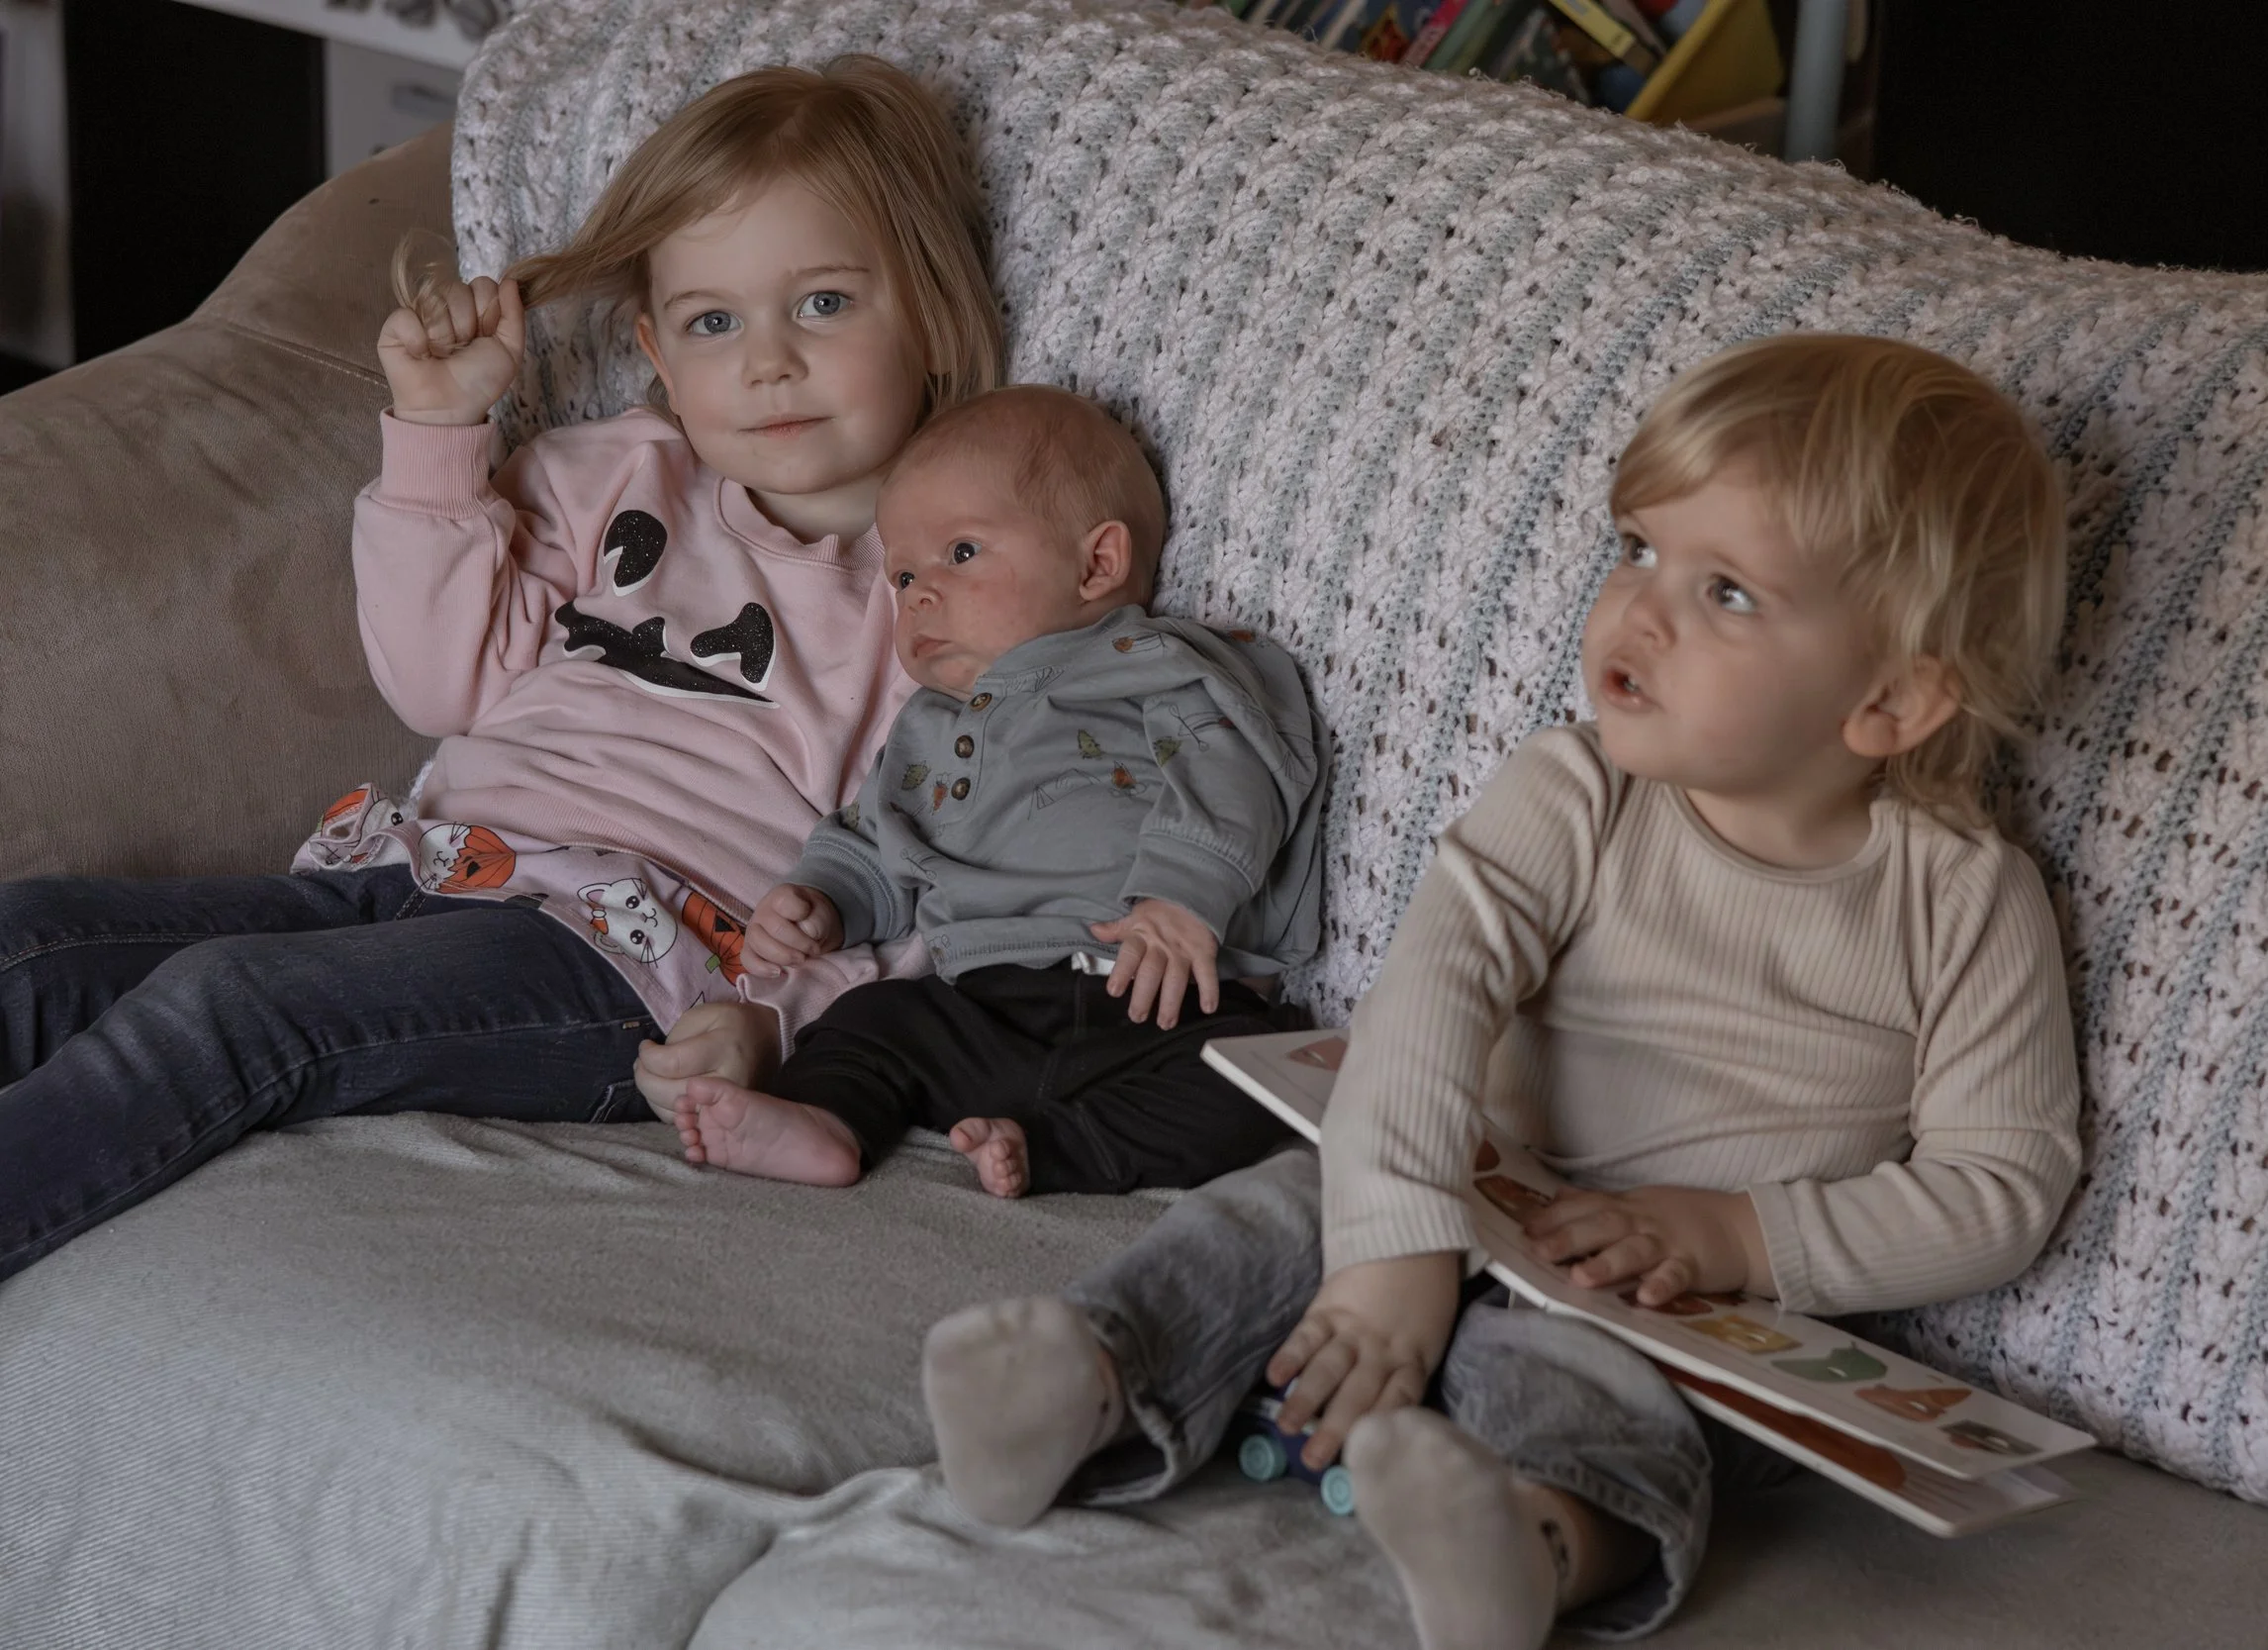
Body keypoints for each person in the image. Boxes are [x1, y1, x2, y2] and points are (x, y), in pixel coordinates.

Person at [916, 335, 2085, 1647]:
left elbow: (2002, 1185)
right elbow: (1435, 986)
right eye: (1637, 547)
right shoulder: (1577, 789)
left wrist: (1738, 1237)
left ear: (1890, 699)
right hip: (1467, 1185)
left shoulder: (1965, 898)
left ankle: (1530, 1544)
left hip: (1693, 1304)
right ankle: (1082, 1379)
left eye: (1726, 591)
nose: (1637, 612)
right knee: (1275, 1210)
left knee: (1607, 1391)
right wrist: (1397, 1240)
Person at [0, 58, 1001, 1283]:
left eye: (825, 303)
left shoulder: (943, 602)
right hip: (429, 864)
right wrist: (437, 433)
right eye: (714, 322)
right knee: (32, 939)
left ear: (933, 312)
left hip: (634, 960)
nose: (769, 362)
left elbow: (949, 896)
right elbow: (442, 686)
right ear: (657, 348)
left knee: (232, 1002)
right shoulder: (614, 476)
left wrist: (773, 1023)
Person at [645, 383, 1325, 1200]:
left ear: (1097, 564)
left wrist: (1185, 894)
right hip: (981, 1004)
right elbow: (876, 838)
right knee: (869, 1021)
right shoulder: (929, 727)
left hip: (1165, 994)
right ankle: (827, 1119)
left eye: (961, 553)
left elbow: (1235, 771)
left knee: (1259, 1084)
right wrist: (823, 900)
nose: (920, 594)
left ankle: (1056, 1147)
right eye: (903, 574)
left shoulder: (1159, 666)